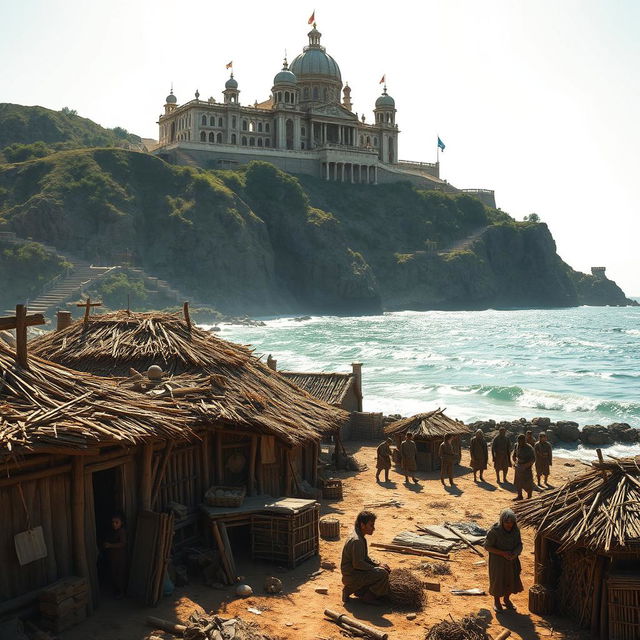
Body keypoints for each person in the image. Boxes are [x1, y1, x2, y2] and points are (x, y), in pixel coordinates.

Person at [341, 511, 390, 604]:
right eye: (371, 525)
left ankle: (359, 591)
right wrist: (376, 568)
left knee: (382, 569)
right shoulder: (357, 541)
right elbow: (358, 564)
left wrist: (378, 563)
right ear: (362, 525)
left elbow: (365, 557)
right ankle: (366, 596)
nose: (374, 528)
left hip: (354, 572)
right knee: (383, 574)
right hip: (351, 576)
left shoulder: (359, 536)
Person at [484, 508, 523, 612]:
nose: (509, 525)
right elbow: (487, 547)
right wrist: (502, 553)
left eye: (511, 522)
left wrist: (515, 553)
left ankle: (506, 599)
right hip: (498, 562)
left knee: (511, 579)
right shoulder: (494, 531)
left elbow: (519, 544)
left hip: (512, 560)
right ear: (502, 521)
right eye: (506, 522)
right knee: (498, 580)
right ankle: (497, 601)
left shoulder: (515, 530)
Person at [104, 512, 128, 598]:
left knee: (120, 575)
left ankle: (121, 593)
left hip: (120, 558)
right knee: (114, 574)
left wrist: (110, 545)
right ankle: (118, 592)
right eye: (113, 522)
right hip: (114, 557)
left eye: (116, 522)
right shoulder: (114, 531)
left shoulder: (121, 531)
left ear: (122, 523)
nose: (114, 524)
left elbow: (123, 543)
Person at [513, 434, 535, 500]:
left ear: (524, 441)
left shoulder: (529, 448)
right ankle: (520, 496)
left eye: (521, 441)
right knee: (518, 482)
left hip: (527, 468)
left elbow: (533, 459)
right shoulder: (516, 445)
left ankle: (529, 497)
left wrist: (525, 466)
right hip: (519, 467)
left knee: (528, 483)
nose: (520, 443)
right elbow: (514, 454)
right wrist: (514, 461)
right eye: (518, 441)